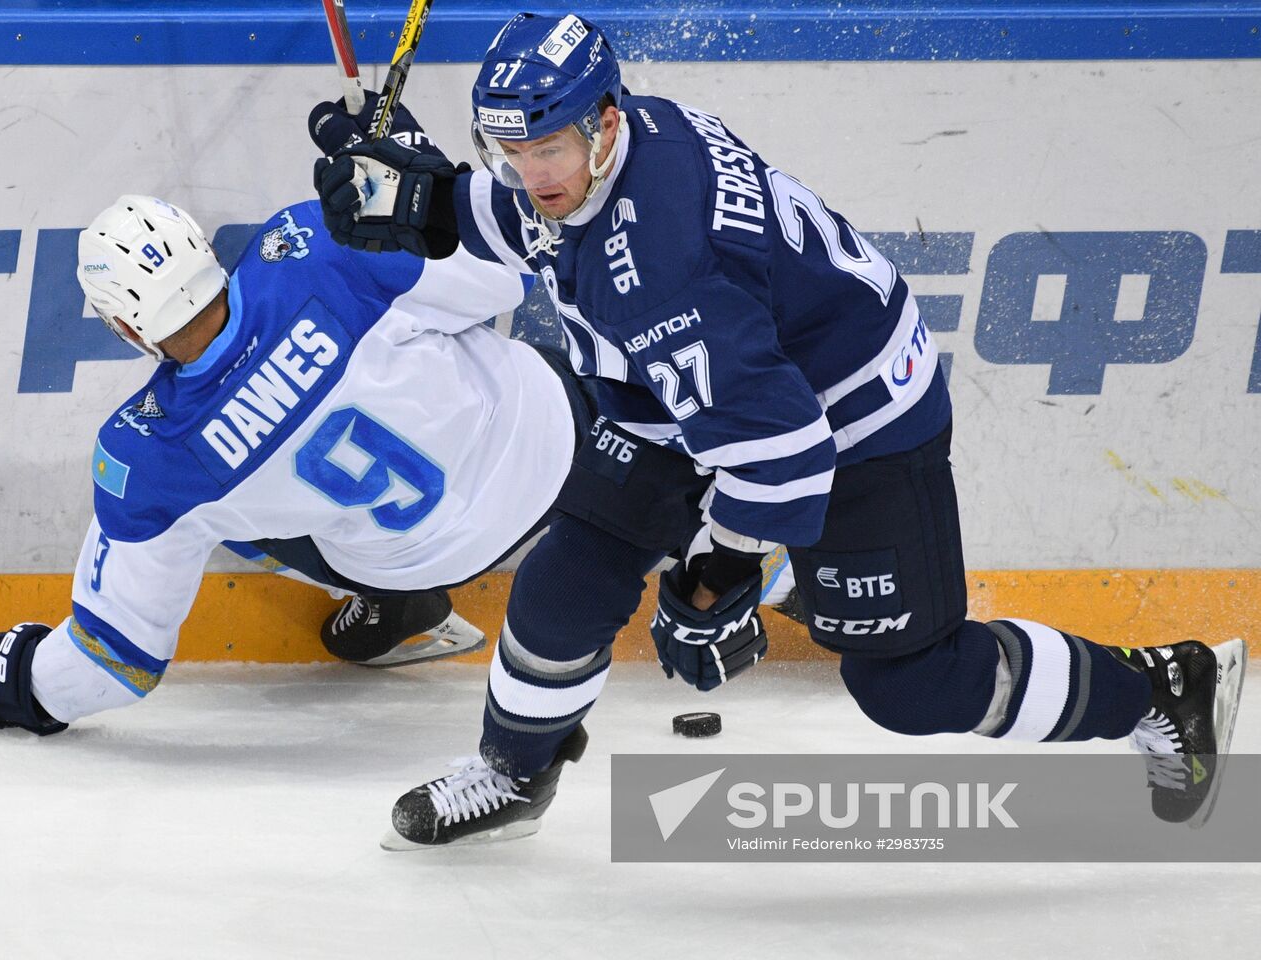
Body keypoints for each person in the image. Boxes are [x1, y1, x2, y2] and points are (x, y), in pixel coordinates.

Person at [315, 11, 1247, 846]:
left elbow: (785, 453)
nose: (529, 176)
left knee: (911, 684)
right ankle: (517, 774)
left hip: (853, 419)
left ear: (602, 126)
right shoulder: (622, 142)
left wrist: (716, 580)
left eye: (545, 150)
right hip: (713, 400)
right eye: (506, 152)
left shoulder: (669, 267)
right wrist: (429, 205)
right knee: (569, 576)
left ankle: (1158, 687)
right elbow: (539, 220)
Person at [0, 98, 713, 743]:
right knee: (554, 318)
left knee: (223, 518)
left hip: (423, 559)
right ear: (204, 247)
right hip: (555, 441)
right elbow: (516, 259)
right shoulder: (314, 249)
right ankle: (749, 537)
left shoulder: (150, 459)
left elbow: (115, 662)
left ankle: (405, 611)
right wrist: (424, 187)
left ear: (124, 328)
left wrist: (17, 685)